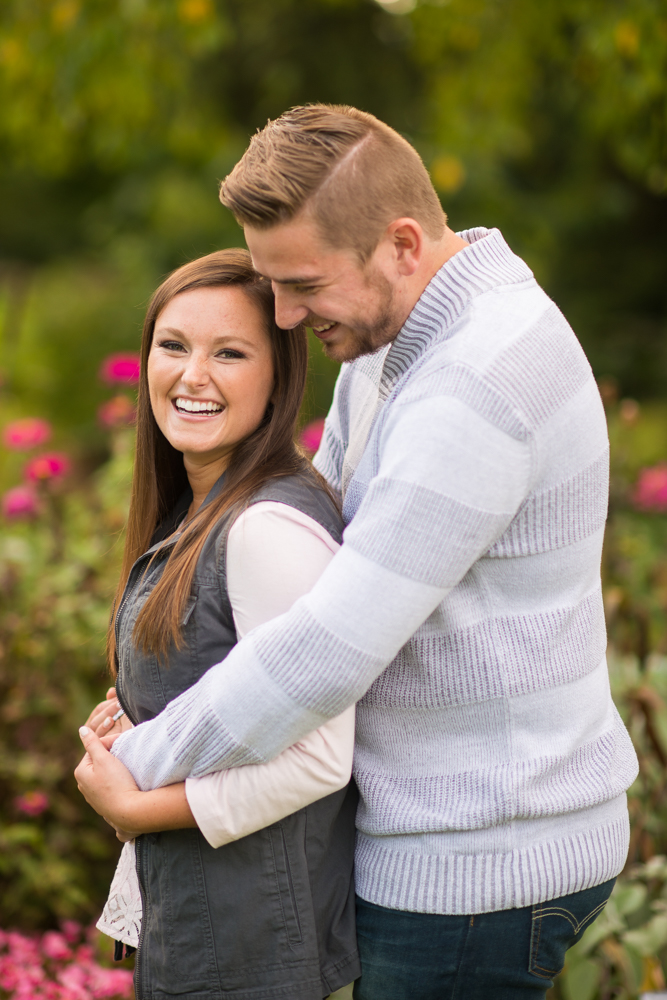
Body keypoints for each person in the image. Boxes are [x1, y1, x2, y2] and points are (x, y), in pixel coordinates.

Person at [82, 105, 639, 999]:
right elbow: (324, 553)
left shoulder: (475, 381)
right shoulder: (396, 343)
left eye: (302, 284)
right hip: (452, 832)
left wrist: (141, 766)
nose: (287, 317)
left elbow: (326, 648)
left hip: (476, 863)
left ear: (403, 243)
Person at [74, 248, 360, 1000]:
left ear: (278, 379)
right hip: (209, 930)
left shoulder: (265, 528)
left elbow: (318, 760)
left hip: (251, 950)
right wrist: (135, 734)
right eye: (173, 346)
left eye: (229, 353)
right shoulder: (201, 508)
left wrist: (135, 804)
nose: (192, 375)